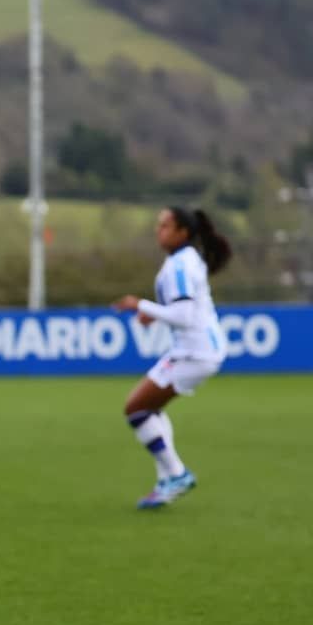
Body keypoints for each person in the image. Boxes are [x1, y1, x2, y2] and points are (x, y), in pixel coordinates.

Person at [113, 206, 231, 509]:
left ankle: (176, 474)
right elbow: (182, 310)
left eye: (165, 225)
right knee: (148, 408)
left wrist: (140, 305)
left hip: (196, 352)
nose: (158, 230)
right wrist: (153, 312)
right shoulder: (185, 259)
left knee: (136, 408)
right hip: (194, 350)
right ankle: (167, 479)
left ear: (182, 232)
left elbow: (184, 315)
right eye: (159, 224)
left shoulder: (180, 265)